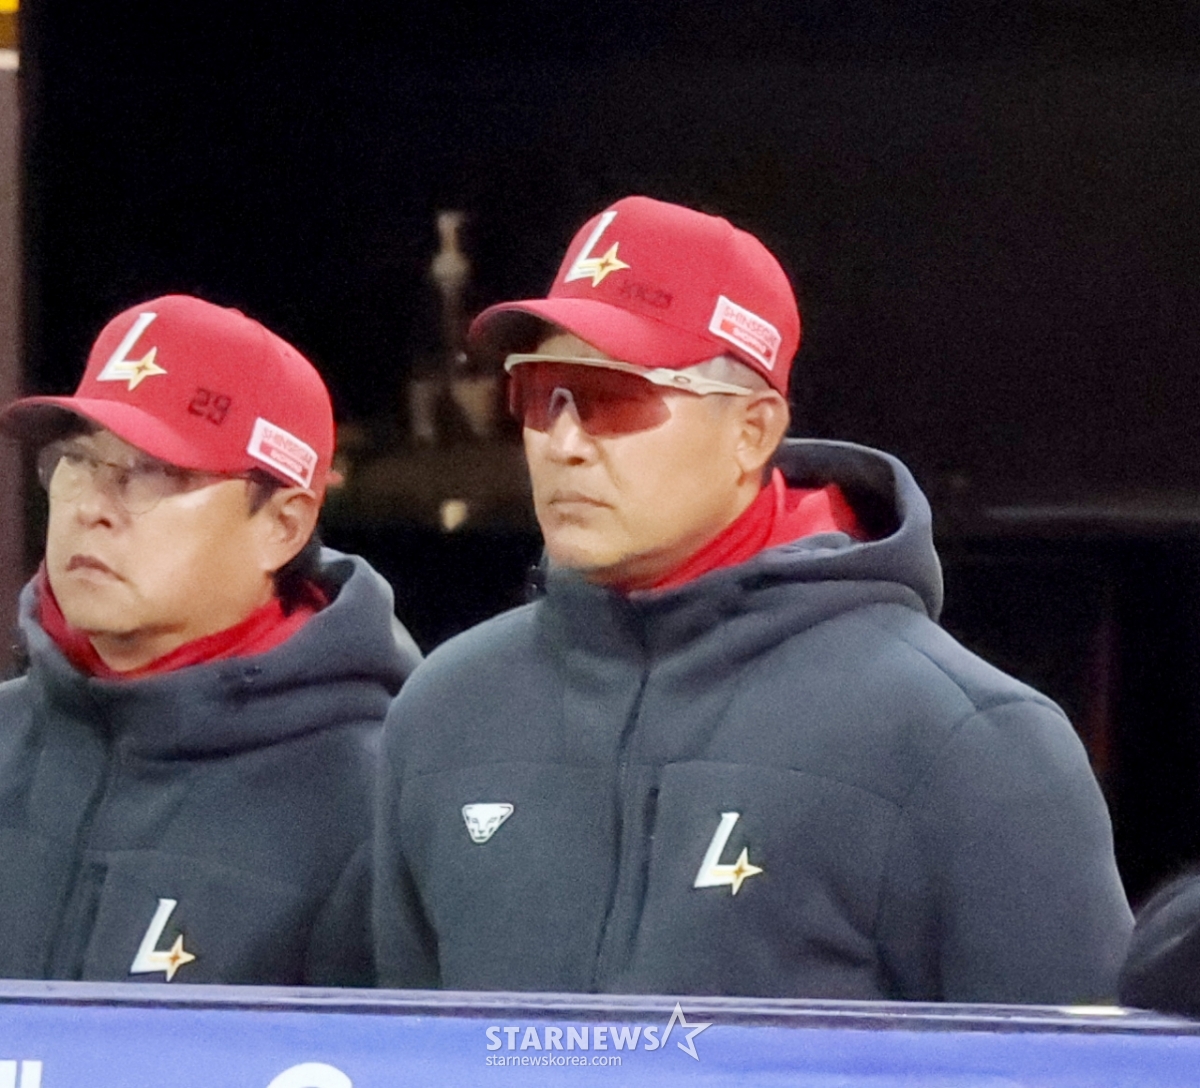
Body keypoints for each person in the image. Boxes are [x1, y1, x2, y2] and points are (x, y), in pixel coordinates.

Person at [373, 195, 1131, 1001]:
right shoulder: (445, 712)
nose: (563, 445)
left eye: (614, 397)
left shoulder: (969, 744)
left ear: (753, 431)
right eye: (540, 394)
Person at [0, 294, 420, 985]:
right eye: (77, 459)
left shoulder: (376, 799)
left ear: (281, 527)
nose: (91, 508)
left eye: (155, 470)